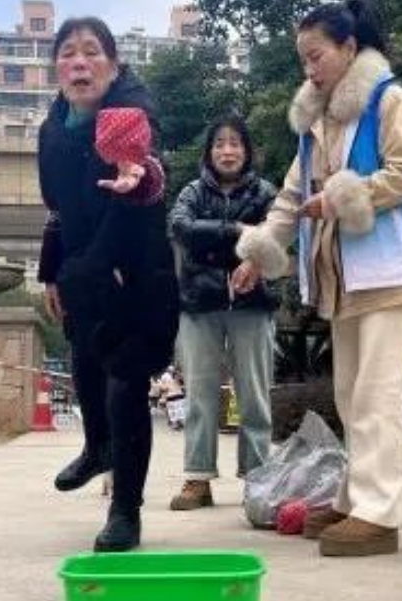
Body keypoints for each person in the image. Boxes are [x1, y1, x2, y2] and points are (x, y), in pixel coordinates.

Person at [231, 0, 402, 556]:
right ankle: (354, 499)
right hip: (345, 276)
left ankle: (378, 513)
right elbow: (292, 197)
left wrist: (342, 197)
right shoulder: (319, 122)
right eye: (303, 59)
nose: (309, 69)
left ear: (349, 48)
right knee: (350, 394)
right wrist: (259, 253)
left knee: (377, 393)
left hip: (392, 265)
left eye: (316, 55)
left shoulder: (392, 100)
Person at [36, 16, 179, 552]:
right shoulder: (52, 130)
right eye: (68, 52)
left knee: (125, 390)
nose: (80, 62)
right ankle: (97, 448)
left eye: (92, 51)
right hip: (82, 272)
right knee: (87, 373)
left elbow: (150, 174)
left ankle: (125, 512)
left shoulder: (130, 115)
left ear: (114, 66)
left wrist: (139, 179)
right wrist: (51, 271)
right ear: (57, 67)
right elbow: (55, 209)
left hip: (134, 271)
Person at [167, 115, 278, 510]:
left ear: (246, 151)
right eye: (219, 144)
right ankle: (197, 478)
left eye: (235, 143)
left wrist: (255, 256)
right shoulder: (192, 192)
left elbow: (278, 232)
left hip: (254, 305)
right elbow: (181, 227)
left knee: (255, 396)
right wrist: (236, 231)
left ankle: (258, 479)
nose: (227, 151)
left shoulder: (266, 192)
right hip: (199, 305)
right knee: (200, 394)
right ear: (209, 151)